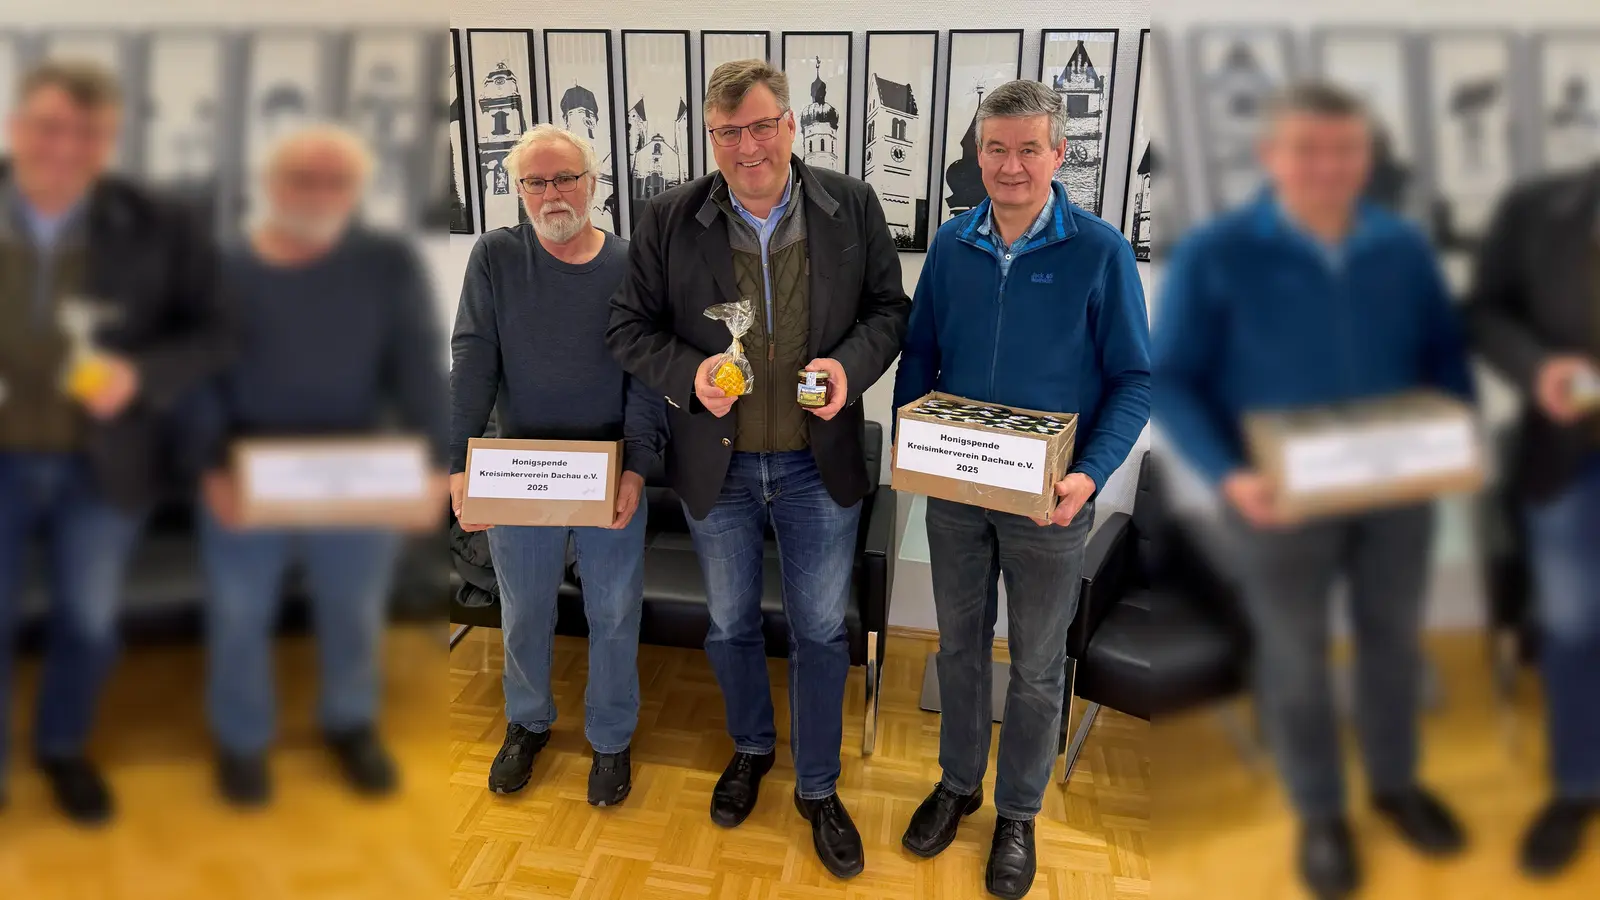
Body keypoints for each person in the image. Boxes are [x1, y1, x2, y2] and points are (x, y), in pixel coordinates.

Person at [1152, 83, 1475, 900]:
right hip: (1276, 502)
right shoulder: (1218, 253)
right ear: (1271, 156)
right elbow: (1175, 379)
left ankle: (1396, 786)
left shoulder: (1401, 247)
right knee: (1293, 658)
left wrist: (1452, 437)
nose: (1328, 168)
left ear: (1366, 158)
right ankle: (1322, 815)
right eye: (1308, 150)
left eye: (1345, 151)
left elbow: (1446, 357)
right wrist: (1231, 475)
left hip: (1399, 494)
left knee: (1393, 643)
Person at [608, 59, 909, 878]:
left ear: (790, 127)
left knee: (818, 629)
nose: (747, 145)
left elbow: (891, 311)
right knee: (731, 624)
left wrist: (849, 368)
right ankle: (750, 748)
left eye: (761, 125)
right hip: (720, 469)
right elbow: (628, 329)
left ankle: (818, 785)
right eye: (728, 131)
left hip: (819, 466)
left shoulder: (849, 205)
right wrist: (690, 376)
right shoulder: (670, 218)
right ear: (710, 137)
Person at [891, 80, 1151, 900]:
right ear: (977, 153)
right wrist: (913, 438)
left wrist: (1089, 476)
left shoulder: (1099, 250)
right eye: (995, 148)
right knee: (960, 646)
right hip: (958, 496)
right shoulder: (951, 246)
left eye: (1027, 148)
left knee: (1039, 667)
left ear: (1058, 154)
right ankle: (960, 782)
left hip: (1051, 503)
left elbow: (1135, 380)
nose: (1010, 165)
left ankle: (1018, 814)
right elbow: (919, 359)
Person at [0, 61, 229, 824]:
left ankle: (63, 747)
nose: (64, 148)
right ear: (15, 128)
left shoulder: (161, 221)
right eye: (48, 127)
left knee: (88, 623)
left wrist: (144, 373)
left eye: (87, 133)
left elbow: (218, 332)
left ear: (108, 144)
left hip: (103, 464)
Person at [193, 125, 448, 806]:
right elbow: (197, 379)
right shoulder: (222, 271)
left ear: (356, 190)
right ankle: (242, 740)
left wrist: (434, 465)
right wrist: (211, 467)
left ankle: (349, 723)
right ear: (271, 186)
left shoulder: (385, 263)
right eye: (304, 179)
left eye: (337, 181)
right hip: (246, 467)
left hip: (357, 467)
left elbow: (418, 365)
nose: (321, 195)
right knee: (240, 614)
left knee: (353, 609)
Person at [450, 124, 666, 808]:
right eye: (536, 181)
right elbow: (473, 359)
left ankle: (610, 737)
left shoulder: (633, 264)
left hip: (607, 477)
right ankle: (528, 723)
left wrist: (637, 469)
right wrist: (457, 466)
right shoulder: (495, 256)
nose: (552, 193)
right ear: (517, 190)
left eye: (566, 177)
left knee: (612, 613)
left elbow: (645, 375)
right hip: (517, 474)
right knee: (524, 612)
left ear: (593, 184)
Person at [1468, 163, 1600, 877]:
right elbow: (1487, 312)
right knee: (1574, 629)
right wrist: (1535, 368)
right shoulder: (1539, 207)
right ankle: (1578, 785)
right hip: (1572, 459)